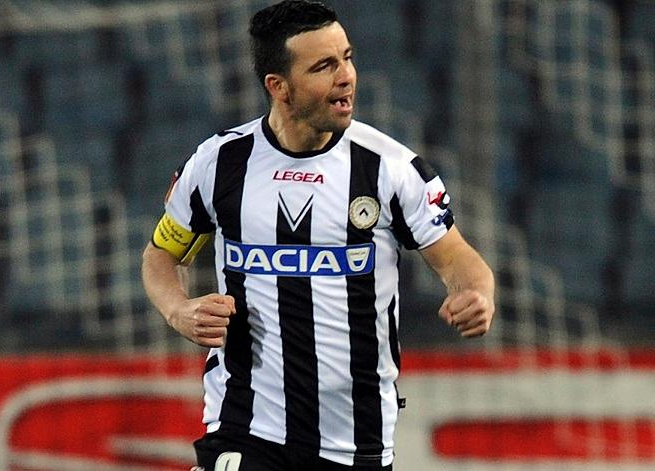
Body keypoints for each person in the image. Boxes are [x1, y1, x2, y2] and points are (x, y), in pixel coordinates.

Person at [141, 1, 495, 469]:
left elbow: (456, 258)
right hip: (246, 424)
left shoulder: (391, 169)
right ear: (279, 87)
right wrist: (178, 310)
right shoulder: (218, 164)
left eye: (347, 58)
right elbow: (162, 254)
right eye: (324, 66)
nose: (346, 76)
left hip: (357, 437)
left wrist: (476, 293)